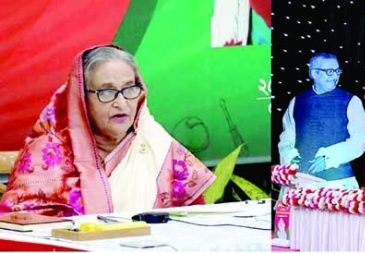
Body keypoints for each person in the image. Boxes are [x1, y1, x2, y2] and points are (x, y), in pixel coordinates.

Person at [0, 45, 215, 217]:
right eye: (107, 92)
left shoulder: (156, 145)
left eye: (130, 89)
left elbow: (198, 217)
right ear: (81, 99)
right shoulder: (46, 153)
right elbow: (18, 230)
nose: (121, 103)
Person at [278, 52, 365, 189]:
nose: (335, 76)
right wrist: (290, 157)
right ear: (314, 73)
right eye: (330, 71)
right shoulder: (297, 101)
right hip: (302, 182)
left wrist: (328, 159)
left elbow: (359, 141)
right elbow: (287, 137)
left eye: (337, 71)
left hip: (338, 183)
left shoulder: (351, 101)